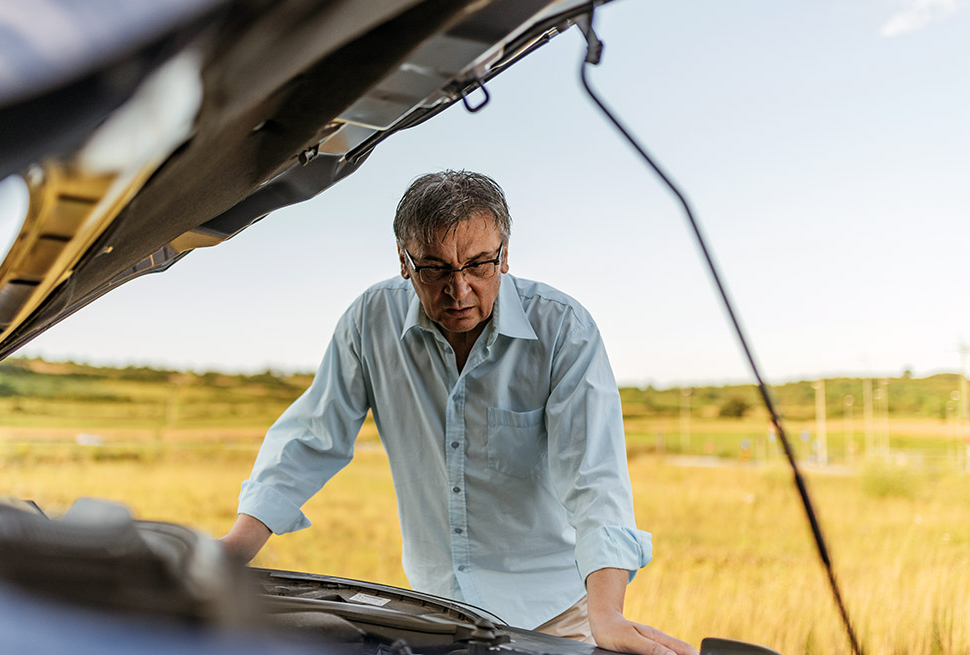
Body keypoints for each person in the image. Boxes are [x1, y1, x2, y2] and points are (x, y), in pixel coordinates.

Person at [219, 170, 695, 655]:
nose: (460, 290)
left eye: (479, 265)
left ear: (504, 255)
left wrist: (607, 614)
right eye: (435, 269)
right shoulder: (369, 321)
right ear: (404, 262)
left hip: (552, 615)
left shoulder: (563, 329)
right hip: (433, 612)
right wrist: (231, 553)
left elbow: (595, 479)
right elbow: (311, 438)